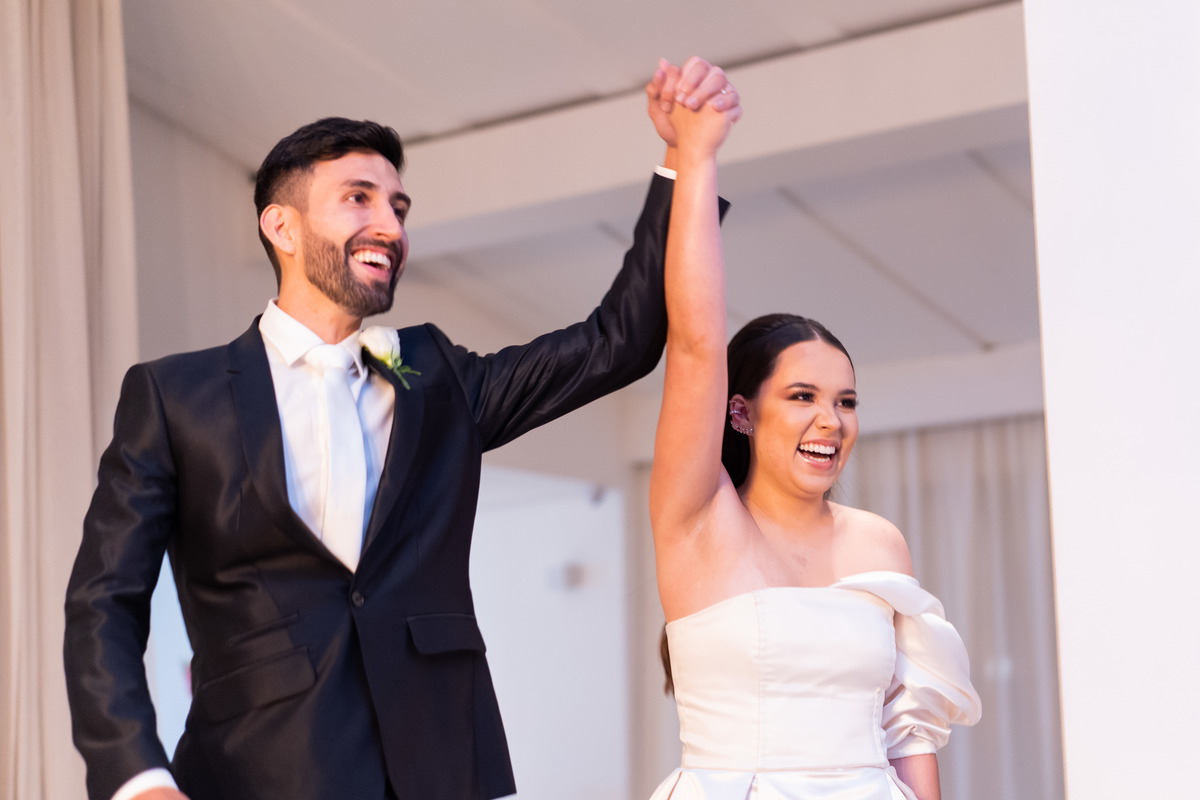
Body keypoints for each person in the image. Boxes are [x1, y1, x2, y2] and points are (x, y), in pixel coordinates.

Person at [63, 58, 738, 800]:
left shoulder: (432, 374)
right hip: (251, 776)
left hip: (443, 771)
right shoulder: (175, 394)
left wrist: (685, 158)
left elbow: (620, 341)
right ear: (280, 225)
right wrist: (137, 775)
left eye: (399, 206)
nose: (389, 225)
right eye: (359, 199)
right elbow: (105, 602)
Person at [645, 72, 981, 799]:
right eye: (802, 397)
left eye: (846, 401)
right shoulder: (698, 522)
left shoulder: (878, 543)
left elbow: (907, 724)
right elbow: (697, 342)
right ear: (740, 412)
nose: (831, 421)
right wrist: (694, 157)